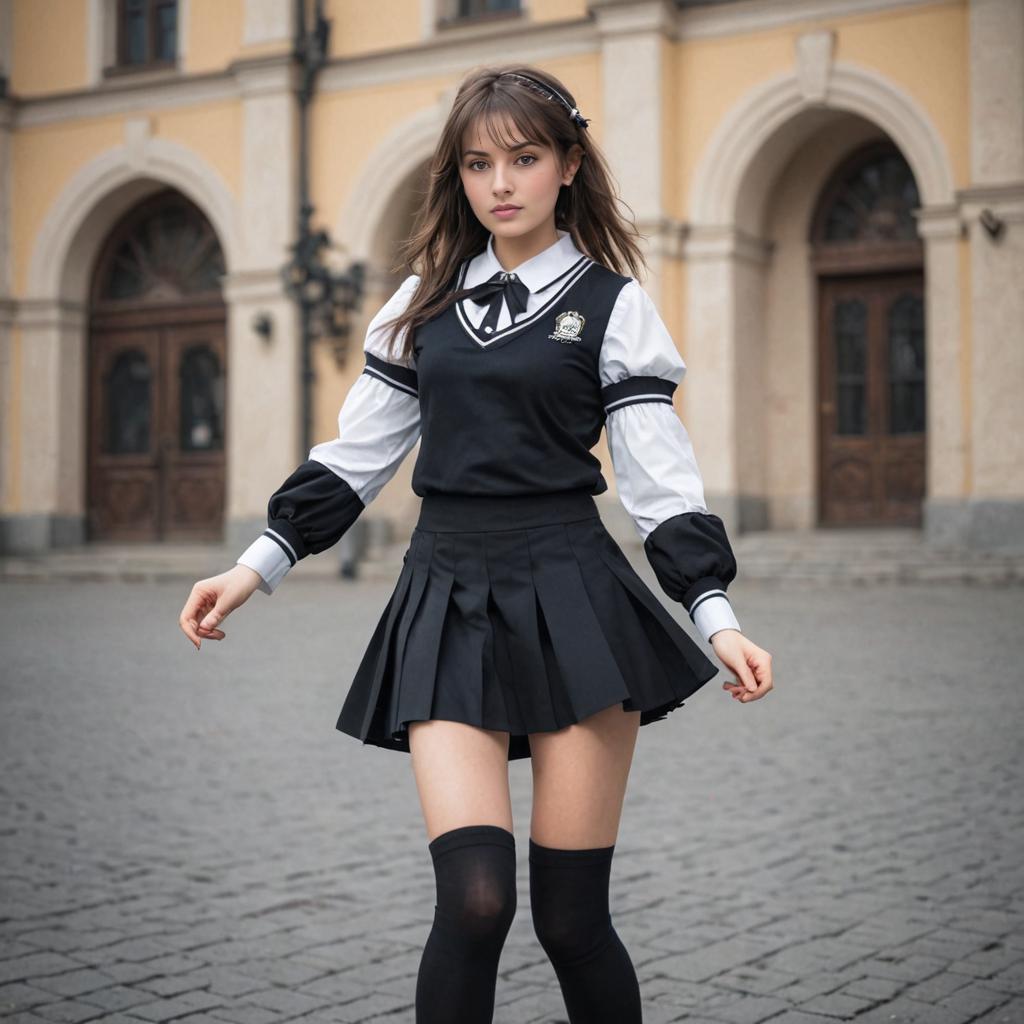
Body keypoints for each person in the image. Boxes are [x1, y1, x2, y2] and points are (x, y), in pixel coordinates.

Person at [179, 64, 774, 1024]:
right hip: (447, 595)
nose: (501, 183)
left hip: (576, 598)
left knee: (572, 920)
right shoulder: (422, 302)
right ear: (457, 176)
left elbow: (663, 487)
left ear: (568, 165)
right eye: (478, 163)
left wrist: (716, 617)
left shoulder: (612, 305)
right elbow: (356, 457)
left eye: (525, 158)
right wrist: (254, 566)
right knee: (475, 898)